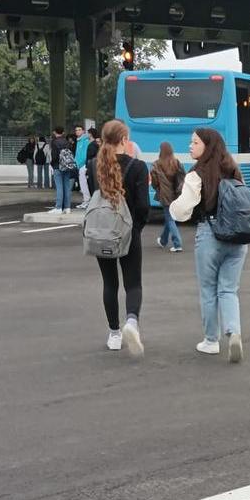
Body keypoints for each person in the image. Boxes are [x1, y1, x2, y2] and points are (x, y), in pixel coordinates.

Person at [169, 128, 248, 363]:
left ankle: (211, 340)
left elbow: (183, 210)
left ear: (207, 145)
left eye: (194, 142)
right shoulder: (233, 170)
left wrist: (171, 208)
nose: (190, 146)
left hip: (210, 235)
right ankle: (234, 332)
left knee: (208, 289)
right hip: (238, 237)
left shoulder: (197, 174)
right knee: (229, 289)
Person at [86, 120, 150, 354]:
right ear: (124, 140)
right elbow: (143, 206)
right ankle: (131, 321)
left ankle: (114, 333)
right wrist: (137, 228)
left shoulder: (94, 165)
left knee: (109, 283)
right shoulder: (138, 167)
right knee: (133, 283)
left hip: (101, 230)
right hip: (128, 230)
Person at [151, 141, 185, 253]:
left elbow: (155, 182)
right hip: (176, 195)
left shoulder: (156, 164)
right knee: (169, 217)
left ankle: (177, 244)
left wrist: (158, 188)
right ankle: (163, 240)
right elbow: (182, 177)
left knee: (170, 218)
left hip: (165, 195)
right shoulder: (176, 163)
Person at [48, 127, 74, 213]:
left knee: (59, 187)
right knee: (66, 187)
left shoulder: (54, 142)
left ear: (55, 132)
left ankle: (58, 207)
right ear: (63, 132)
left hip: (58, 166)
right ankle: (67, 207)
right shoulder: (67, 142)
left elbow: (54, 156)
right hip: (67, 166)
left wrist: (52, 164)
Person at [76, 127, 98, 208]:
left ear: (91, 134)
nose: (87, 135)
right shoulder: (91, 143)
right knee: (85, 184)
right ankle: (87, 200)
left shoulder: (92, 144)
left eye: (88, 133)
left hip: (87, 166)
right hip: (87, 166)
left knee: (85, 184)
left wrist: (83, 165)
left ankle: (87, 201)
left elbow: (89, 156)